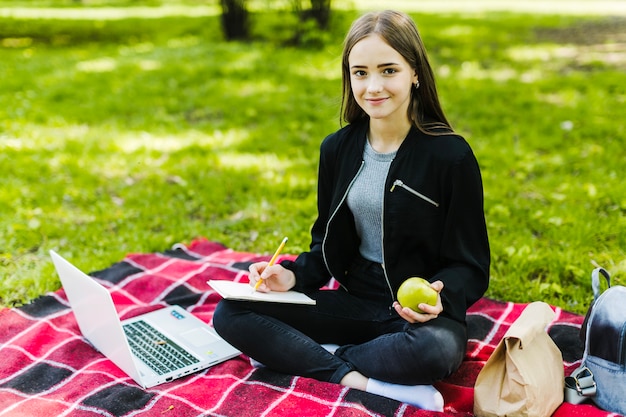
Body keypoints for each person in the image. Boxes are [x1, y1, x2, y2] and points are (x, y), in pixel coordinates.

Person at [213, 9, 490, 411]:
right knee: (230, 312)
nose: (373, 86)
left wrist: (438, 297)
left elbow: (471, 266)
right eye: (360, 73)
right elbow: (325, 241)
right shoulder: (337, 149)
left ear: (415, 72)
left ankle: (306, 355)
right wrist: (289, 274)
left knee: (437, 353)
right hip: (355, 303)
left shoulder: (450, 157)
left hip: (417, 317)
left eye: (388, 70)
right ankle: (359, 376)